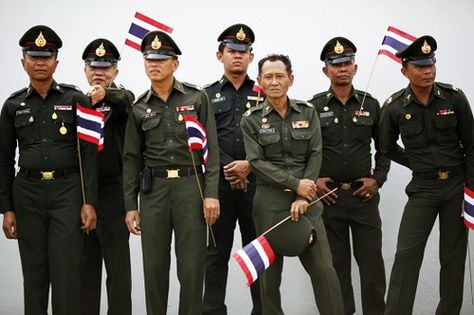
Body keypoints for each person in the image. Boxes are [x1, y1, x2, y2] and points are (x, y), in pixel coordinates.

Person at [0, 25, 97, 315]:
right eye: (34, 56)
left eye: (47, 56)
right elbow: (4, 159)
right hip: (26, 194)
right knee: (34, 272)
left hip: (67, 193)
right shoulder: (12, 105)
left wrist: (88, 201)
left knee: (66, 272)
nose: (40, 62)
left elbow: (89, 155)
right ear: (23, 61)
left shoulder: (76, 99)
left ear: (56, 61)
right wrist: (7, 208)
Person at [122, 30, 220, 315]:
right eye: (149, 59)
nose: (154, 64)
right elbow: (130, 160)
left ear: (174, 63)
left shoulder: (196, 98)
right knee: (153, 268)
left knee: (191, 267)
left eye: (161, 59)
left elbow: (210, 151)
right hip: (154, 193)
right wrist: (131, 206)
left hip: (191, 188)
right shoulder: (139, 107)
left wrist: (211, 194)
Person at [240, 54, 344, 315]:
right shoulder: (250, 119)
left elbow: (316, 153)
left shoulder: (308, 112)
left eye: (280, 76)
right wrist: (295, 184)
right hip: (268, 205)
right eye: (268, 77)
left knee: (324, 270)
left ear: (291, 79)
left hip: (308, 201)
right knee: (269, 280)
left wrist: (303, 194)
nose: (274, 82)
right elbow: (256, 161)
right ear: (260, 81)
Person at [379, 35, 474, 314]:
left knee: (453, 257)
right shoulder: (395, 106)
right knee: (406, 255)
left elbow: (471, 145)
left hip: (457, 186)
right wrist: (417, 163)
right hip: (423, 188)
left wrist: (471, 190)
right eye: (419, 66)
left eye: (430, 63)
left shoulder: (454, 97)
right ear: (405, 70)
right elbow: (385, 148)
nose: (428, 71)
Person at [309, 37, 389, 315]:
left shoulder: (372, 104)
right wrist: (315, 180)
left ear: (355, 68)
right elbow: (308, 150)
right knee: (336, 266)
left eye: (347, 63)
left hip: (363, 198)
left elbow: (385, 148)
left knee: (372, 266)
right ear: (325, 70)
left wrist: (378, 179)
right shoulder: (314, 107)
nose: (342, 68)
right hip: (329, 199)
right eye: (336, 64)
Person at [203, 23, 262, 315]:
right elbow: (203, 140)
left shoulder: (265, 92)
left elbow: (273, 138)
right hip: (219, 188)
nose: (237, 56)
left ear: (251, 57)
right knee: (215, 256)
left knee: (260, 255)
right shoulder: (206, 95)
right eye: (232, 51)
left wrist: (249, 167)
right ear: (219, 55)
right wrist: (231, 168)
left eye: (244, 51)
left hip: (258, 186)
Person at [79, 38, 133, 315]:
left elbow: (128, 101)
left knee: (118, 271)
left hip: (114, 194)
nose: (99, 72)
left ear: (115, 71)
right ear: (85, 69)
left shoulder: (121, 101)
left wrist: (106, 94)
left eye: (106, 67)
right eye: (94, 66)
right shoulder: (75, 101)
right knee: (85, 270)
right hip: (81, 194)